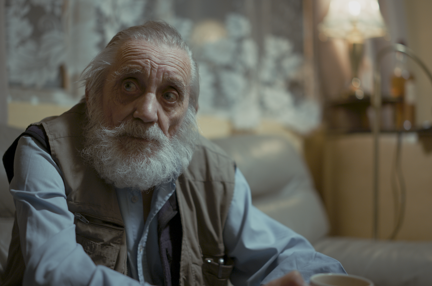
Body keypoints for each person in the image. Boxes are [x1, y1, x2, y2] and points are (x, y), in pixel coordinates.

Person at [2, 21, 345, 286]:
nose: (148, 112)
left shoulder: (215, 172)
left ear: (188, 112)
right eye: (129, 85)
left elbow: (286, 255)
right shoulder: (44, 149)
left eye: (169, 95)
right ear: (92, 94)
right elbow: (54, 271)